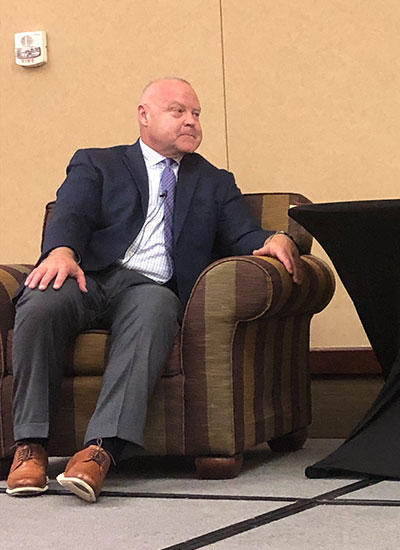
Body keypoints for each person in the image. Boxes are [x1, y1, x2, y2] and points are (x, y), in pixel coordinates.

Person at [4, 77, 303, 503]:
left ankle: (100, 450)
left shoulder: (215, 182)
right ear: (144, 115)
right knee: (41, 299)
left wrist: (276, 238)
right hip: (89, 277)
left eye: (196, 114)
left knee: (156, 307)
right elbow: (73, 212)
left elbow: (243, 234)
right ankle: (29, 447)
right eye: (178, 111)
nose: (191, 121)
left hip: (150, 287)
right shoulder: (97, 163)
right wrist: (61, 251)